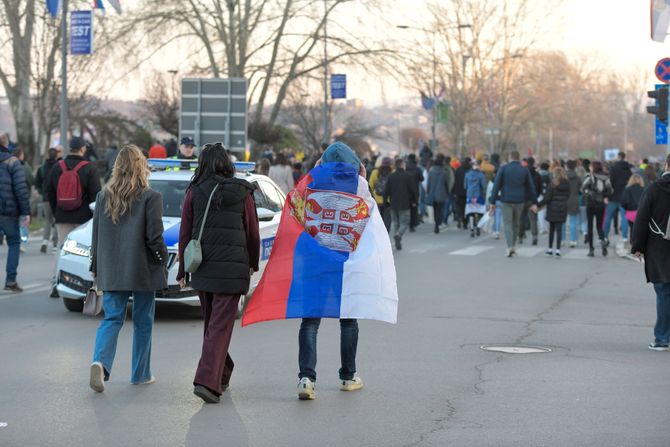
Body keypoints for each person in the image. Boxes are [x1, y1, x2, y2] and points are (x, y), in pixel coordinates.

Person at [177, 142, 259, 404]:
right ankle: (207, 381)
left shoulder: (194, 191)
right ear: (227, 163)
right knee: (218, 327)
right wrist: (253, 262)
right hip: (233, 270)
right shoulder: (243, 192)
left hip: (203, 269)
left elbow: (186, 233)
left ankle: (221, 373)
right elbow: (252, 231)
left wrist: (183, 270)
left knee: (213, 325)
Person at [89, 144, 168, 392]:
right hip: (142, 269)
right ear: (140, 166)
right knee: (143, 320)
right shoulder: (150, 197)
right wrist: (161, 260)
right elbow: (154, 237)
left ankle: (100, 363)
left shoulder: (103, 196)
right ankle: (140, 374)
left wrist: (95, 266)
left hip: (111, 268)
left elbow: (97, 236)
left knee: (112, 318)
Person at [295, 142, 370, 401]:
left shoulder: (311, 180)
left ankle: (306, 378)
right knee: (348, 318)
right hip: (345, 260)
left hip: (314, 258)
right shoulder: (359, 184)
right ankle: (348, 376)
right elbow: (367, 216)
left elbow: (297, 212)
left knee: (310, 320)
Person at [631, 155, 670, 351]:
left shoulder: (654, 189)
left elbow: (641, 219)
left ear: (666, 165)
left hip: (659, 248)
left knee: (664, 292)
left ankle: (662, 338)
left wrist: (637, 246)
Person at [46, 136, 101, 249]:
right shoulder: (90, 168)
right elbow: (96, 195)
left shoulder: (57, 167)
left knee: (62, 249)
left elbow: (50, 192)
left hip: (62, 216)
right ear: (82, 149)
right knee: (83, 250)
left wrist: (56, 211)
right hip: (84, 218)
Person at [489, 150, 538, 257]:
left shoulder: (503, 169)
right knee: (516, 223)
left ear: (509, 157)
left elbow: (496, 185)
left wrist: (492, 201)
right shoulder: (524, 170)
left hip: (506, 200)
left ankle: (510, 246)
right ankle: (513, 246)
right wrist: (534, 202)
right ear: (518, 158)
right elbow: (531, 186)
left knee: (507, 223)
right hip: (520, 200)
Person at [0, 132, 30, 292]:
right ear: (7, 144)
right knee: (14, 243)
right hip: (8, 212)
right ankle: (10, 280)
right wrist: (26, 212)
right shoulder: (13, 162)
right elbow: (20, 189)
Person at [384, 158, 417, 251]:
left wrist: (385, 201)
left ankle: (397, 239)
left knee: (395, 222)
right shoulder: (408, 176)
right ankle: (398, 235)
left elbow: (386, 190)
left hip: (393, 203)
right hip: (405, 203)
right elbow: (413, 190)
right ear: (402, 165)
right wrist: (414, 201)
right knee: (405, 222)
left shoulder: (391, 176)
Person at [581, 161, 612, 257]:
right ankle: (603, 243)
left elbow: (583, 187)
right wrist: (604, 196)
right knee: (599, 226)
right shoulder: (606, 177)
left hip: (590, 204)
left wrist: (588, 192)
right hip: (601, 204)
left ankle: (591, 249)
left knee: (590, 227)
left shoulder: (589, 176)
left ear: (593, 167)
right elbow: (610, 190)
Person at [35, 147, 62, 253]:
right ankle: (55, 245)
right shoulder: (59, 167)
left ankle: (45, 241)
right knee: (56, 221)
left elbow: (37, 182)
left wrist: (41, 192)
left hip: (45, 198)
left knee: (47, 220)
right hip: (56, 198)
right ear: (56, 155)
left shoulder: (41, 168)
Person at [539, 167, 570, 256]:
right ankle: (558, 250)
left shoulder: (552, 184)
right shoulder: (567, 184)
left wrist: (538, 205)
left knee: (551, 230)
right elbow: (568, 196)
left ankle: (550, 249)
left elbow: (547, 198)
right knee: (559, 230)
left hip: (552, 209)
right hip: (562, 208)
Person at [605, 152, 632, 243]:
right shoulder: (628, 168)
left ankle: (605, 236)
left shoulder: (613, 168)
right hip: (624, 196)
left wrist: (607, 195)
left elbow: (610, 183)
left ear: (618, 157)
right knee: (624, 217)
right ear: (624, 157)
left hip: (614, 196)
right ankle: (624, 237)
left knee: (608, 216)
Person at [12, 148, 34, 253]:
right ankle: (22, 242)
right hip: (24, 196)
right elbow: (31, 180)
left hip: (11, 198)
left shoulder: (8, 165)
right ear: (21, 155)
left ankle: (14, 241)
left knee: (14, 221)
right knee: (24, 220)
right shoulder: (26, 167)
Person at [426, 155, 450, 234]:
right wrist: (447, 192)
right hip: (441, 193)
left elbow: (428, 184)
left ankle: (436, 225)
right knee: (440, 210)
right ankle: (438, 223)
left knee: (435, 209)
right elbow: (446, 184)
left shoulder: (431, 172)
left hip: (432, 193)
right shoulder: (444, 172)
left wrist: (428, 192)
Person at [464, 161, 487, 237]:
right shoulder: (481, 175)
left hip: (470, 195)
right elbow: (484, 186)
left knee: (471, 212)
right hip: (479, 195)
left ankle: (471, 228)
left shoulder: (467, 175)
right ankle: (478, 226)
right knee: (480, 212)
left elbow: (465, 186)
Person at [369, 157, 393, 231]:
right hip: (388, 200)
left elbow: (370, 186)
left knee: (379, 219)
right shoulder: (392, 173)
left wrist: (372, 197)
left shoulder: (375, 172)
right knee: (387, 219)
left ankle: (379, 233)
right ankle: (386, 234)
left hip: (377, 199)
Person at [621, 174, 645, 241]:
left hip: (630, 212)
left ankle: (632, 241)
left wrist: (626, 209)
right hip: (641, 212)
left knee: (632, 228)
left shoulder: (627, 189)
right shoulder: (644, 189)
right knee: (640, 229)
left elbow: (624, 202)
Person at [405, 154, 424, 231]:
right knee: (414, 208)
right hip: (415, 190)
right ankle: (412, 225)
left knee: (405, 208)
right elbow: (422, 179)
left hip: (405, 191)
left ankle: (405, 223)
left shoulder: (405, 167)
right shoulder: (417, 168)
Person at [565, 160, 582, 248]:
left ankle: (562, 240)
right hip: (574, 200)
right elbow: (580, 190)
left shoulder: (563, 177)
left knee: (562, 221)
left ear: (566, 166)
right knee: (574, 221)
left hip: (563, 200)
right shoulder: (578, 178)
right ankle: (573, 240)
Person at [453, 158, 471, 229]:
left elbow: (455, 181)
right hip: (468, 192)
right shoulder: (469, 170)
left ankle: (459, 217)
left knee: (459, 206)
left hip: (458, 191)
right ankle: (465, 222)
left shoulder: (458, 170)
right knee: (467, 207)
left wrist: (454, 191)